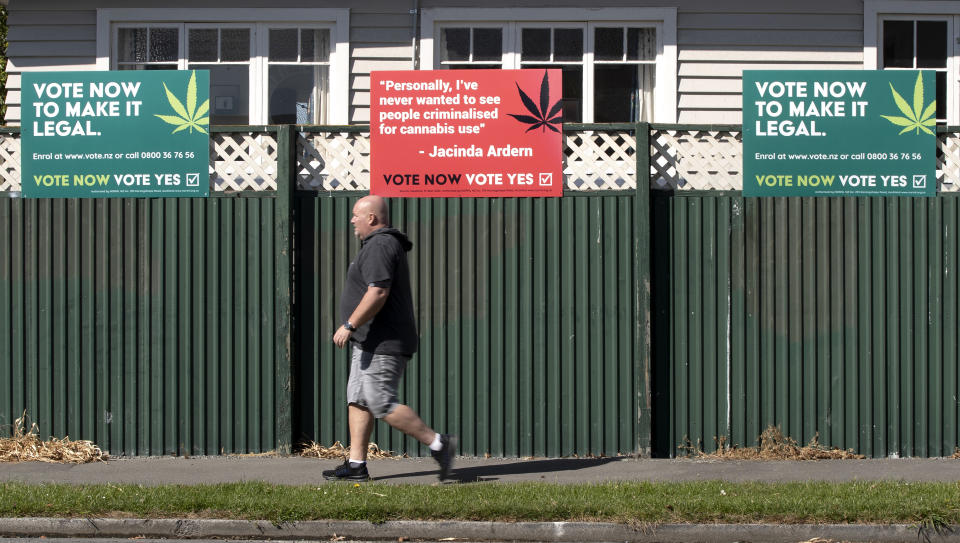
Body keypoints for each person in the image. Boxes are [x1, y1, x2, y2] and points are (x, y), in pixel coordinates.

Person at [323, 195, 457, 482]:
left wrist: (350, 324)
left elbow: (378, 291)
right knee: (358, 399)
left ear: (371, 218)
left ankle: (438, 443)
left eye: (355, 215)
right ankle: (356, 465)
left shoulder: (381, 244)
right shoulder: (377, 244)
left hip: (384, 342)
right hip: (369, 341)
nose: (352, 221)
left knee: (380, 401)